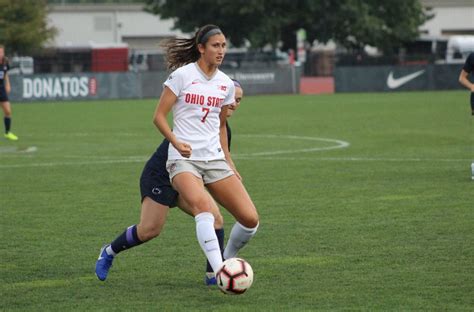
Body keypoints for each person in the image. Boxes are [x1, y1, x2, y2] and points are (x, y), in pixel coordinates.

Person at [95, 78, 246, 285]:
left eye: (238, 101)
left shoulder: (223, 130)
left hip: (189, 179)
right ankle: (108, 251)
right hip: (161, 174)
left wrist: (231, 171)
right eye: (231, 99)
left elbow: (218, 158)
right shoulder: (197, 117)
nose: (233, 104)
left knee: (215, 218)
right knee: (150, 230)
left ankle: (214, 276)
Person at [153, 24, 259, 276]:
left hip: (214, 159)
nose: (221, 51)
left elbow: (221, 125)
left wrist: (229, 161)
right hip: (183, 159)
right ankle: (219, 271)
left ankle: (227, 258)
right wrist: (176, 142)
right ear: (201, 48)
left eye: (223, 46)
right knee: (204, 210)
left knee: (250, 219)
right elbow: (158, 117)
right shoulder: (182, 76)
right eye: (215, 46)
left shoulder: (226, 84)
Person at [0, 45, 18, 141]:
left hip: (1, 89)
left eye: (1, 52)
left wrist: (8, 85)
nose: (0, 54)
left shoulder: (5, 62)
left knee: (8, 111)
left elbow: (6, 74)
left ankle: (7, 133)